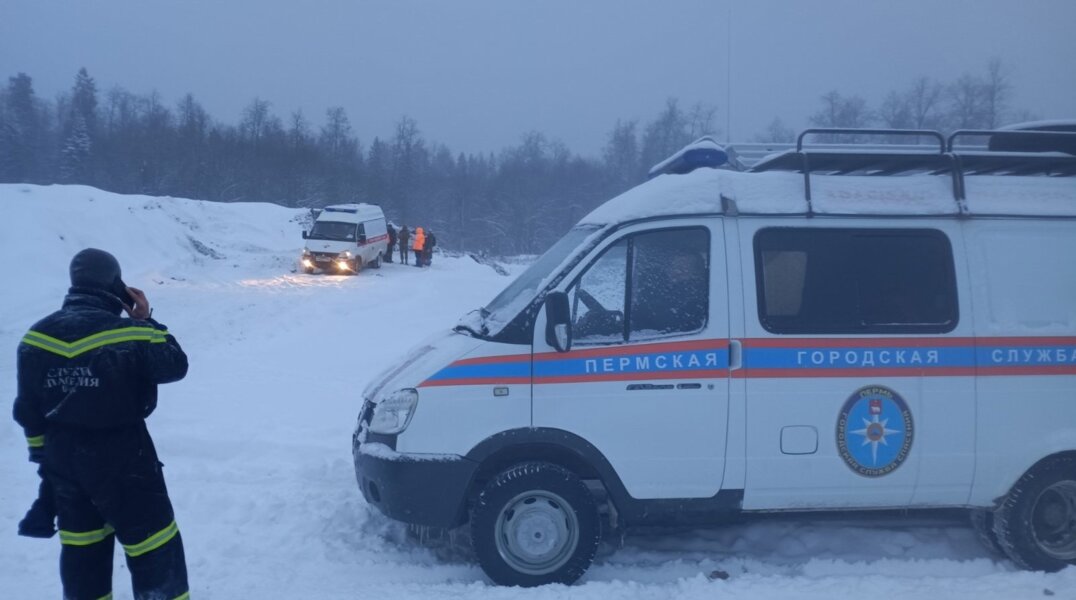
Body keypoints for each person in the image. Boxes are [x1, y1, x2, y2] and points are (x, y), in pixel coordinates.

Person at [13, 248, 190, 600]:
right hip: (125, 459)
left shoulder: (35, 339)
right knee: (154, 549)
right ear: (115, 286)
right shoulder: (129, 334)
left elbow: (29, 413)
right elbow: (174, 364)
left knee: (83, 557)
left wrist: (46, 464)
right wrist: (145, 320)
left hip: (64, 466)